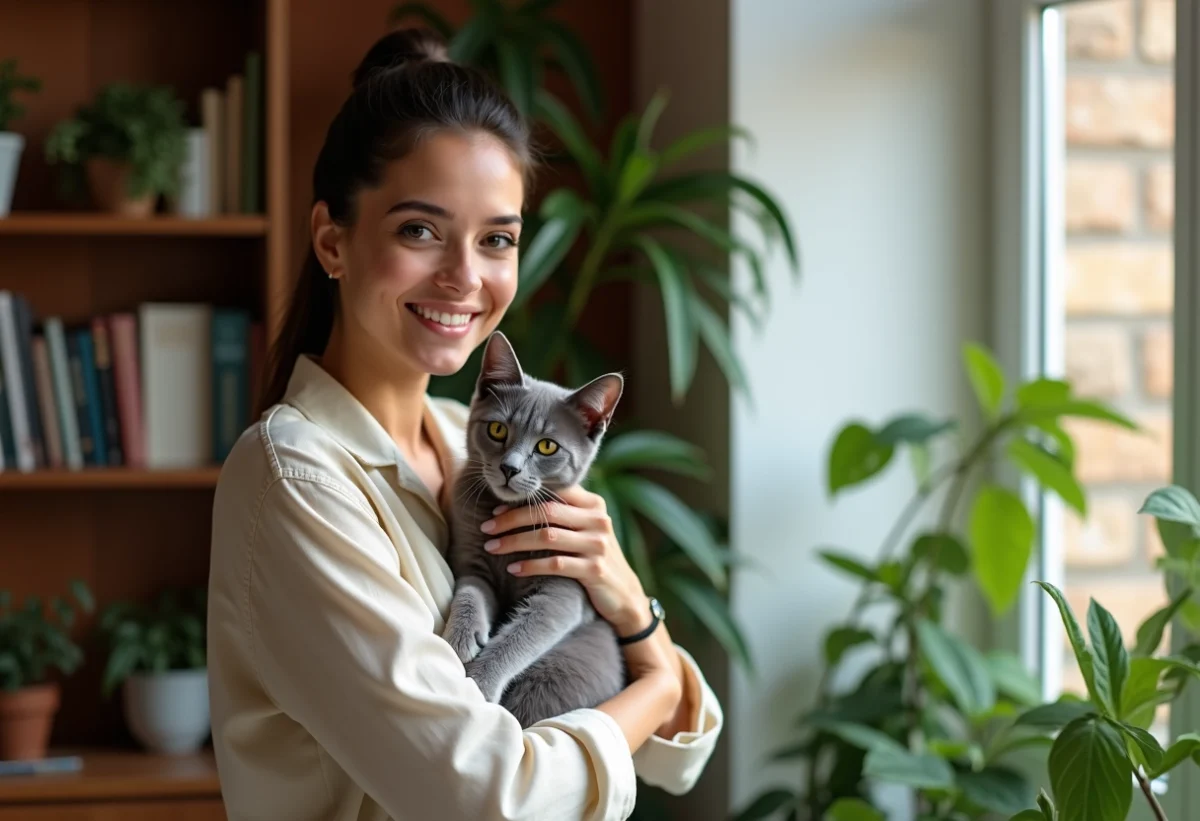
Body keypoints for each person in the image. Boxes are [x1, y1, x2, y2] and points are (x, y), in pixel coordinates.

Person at [206, 27, 723, 821]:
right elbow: (489, 796)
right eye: (420, 230)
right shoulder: (297, 480)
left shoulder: (465, 435)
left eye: (498, 239)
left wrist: (627, 604)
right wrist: (655, 680)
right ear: (331, 240)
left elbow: (681, 749)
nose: (465, 277)